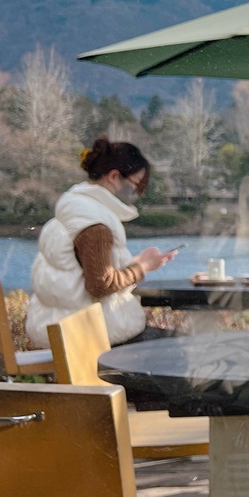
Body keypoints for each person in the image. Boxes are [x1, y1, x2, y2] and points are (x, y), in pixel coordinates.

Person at [26, 136, 176, 348]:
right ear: (114, 176)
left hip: (65, 330)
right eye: (136, 185)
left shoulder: (75, 210)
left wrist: (135, 262)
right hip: (93, 337)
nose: (136, 194)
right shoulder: (95, 225)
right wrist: (142, 267)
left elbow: (83, 272)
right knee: (186, 348)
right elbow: (100, 285)